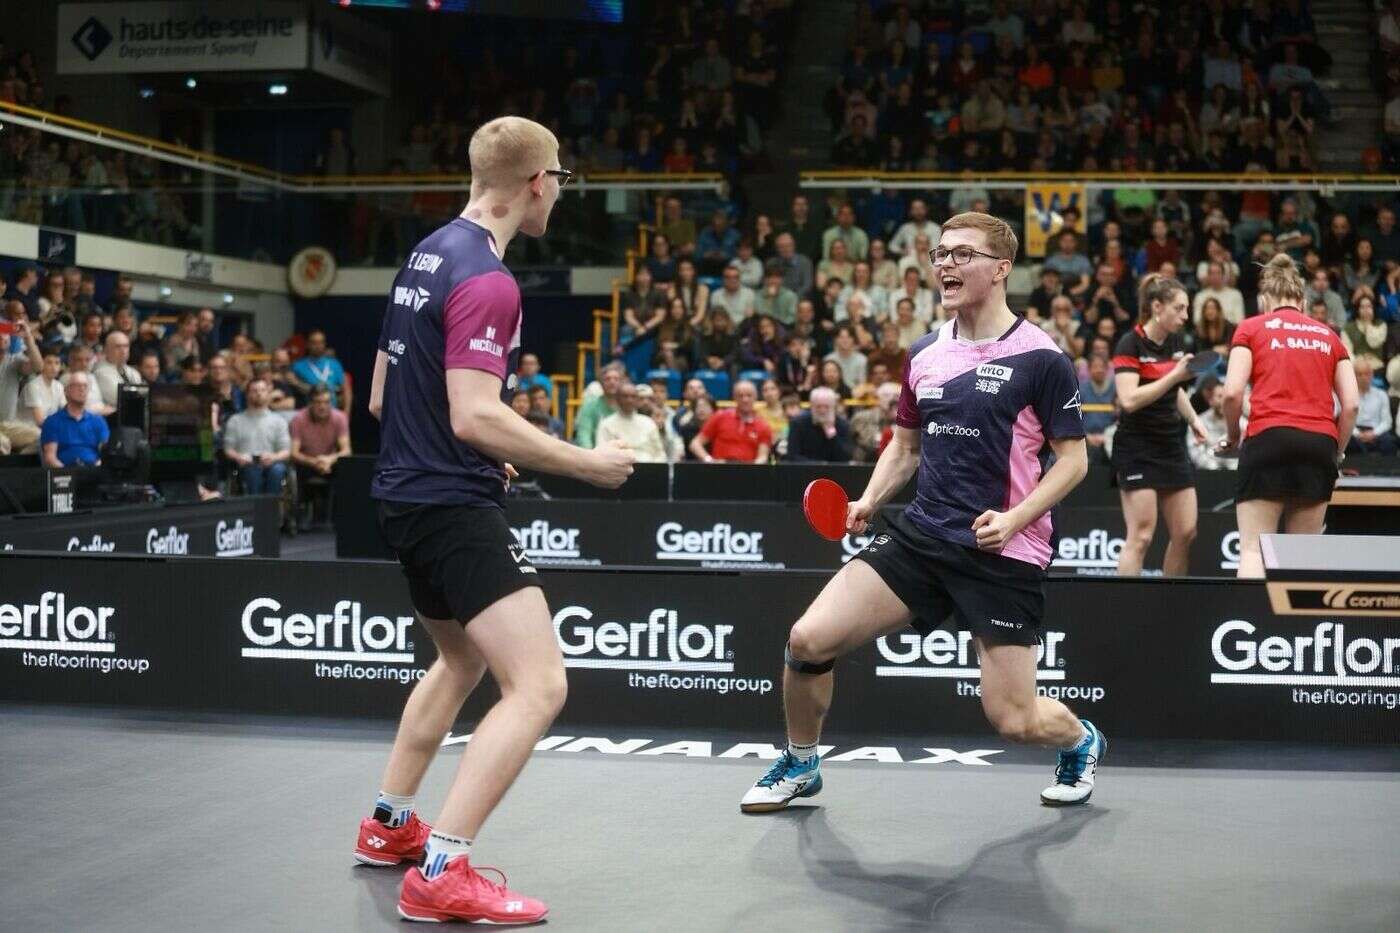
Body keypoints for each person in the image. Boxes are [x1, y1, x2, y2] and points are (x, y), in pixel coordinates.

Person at [740, 212, 1103, 816]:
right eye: (941, 254)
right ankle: (802, 764)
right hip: (923, 535)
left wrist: (1015, 519)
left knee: (1014, 721)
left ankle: (1083, 740)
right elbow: (905, 447)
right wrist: (870, 500)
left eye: (963, 254)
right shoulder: (925, 353)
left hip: (1002, 551)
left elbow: (1074, 463)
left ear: (1001, 268)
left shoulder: (1041, 358)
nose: (945, 265)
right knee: (808, 640)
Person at [364, 116, 633, 925]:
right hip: (450, 506)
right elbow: (475, 415)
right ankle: (442, 867)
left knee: (459, 661)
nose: (559, 190)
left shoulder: (425, 253)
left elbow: (384, 395)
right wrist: (585, 462)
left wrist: (484, 450)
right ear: (537, 182)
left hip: (401, 495)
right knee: (540, 683)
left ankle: (388, 824)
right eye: (560, 178)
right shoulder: (489, 277)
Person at [1220, 253, 1358, 578]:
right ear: (1303, 301)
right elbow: (1350, 405)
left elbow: (1231, 393)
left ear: (1265, 299)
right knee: (1303, 558)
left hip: (1267, 439)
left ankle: (1251, 624)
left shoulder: (1250, 328)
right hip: (1319, 445)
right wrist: (1336, 451)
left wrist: (1233, 437)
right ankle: (1297, 629)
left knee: (1254, 548)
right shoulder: (1330, 336)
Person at [1110, 274, 1209, 576]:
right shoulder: (1130, 343)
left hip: (1170, 445)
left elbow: (1174, 390)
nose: (1185, 316)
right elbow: (1128, 400)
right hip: (1137, 446)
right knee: (1141, 537)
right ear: (1157, 307)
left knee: (1186, 532)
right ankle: (1127, 610)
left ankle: (1170, 603)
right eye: (1179, 309)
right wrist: (1174, 376)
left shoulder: (1176, 342)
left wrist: (1194, 420)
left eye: (1186, 309)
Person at [289, 386, 352, 528]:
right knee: (296, 469)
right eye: (318, 402)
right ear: (310, 403)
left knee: (348, 467)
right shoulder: (298, 419)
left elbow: (346, 450)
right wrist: (314, 462)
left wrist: (328, 460)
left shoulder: (340, 418)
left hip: (330, 462)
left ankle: (343, 518)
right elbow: (294, 452)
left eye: (326, 402)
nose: (322, 406)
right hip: (306, 463)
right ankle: (300, 517)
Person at [223, 378, 291, 494]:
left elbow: (286, 451)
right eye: (254, 390)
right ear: (247, 394)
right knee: (252, 472)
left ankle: (272, 507)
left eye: (263, 390)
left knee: (278, 470)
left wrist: (274, 457)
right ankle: (255, 508)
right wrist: (238, 457)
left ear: (268, 394)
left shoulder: (279, 421)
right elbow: (228, 449)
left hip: (272, 462)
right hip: (246, 463)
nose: (259, 393)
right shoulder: (235, 420)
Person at [689, 379, 771, 463]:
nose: (745, 399)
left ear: (755, 397)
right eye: (740, 396)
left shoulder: (763, 426)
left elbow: (762, 457)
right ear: (734, 397)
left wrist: (753, 468)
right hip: (719, 471)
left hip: (747, 472)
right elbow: (695, 444)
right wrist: (710, 460)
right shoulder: (720, 416)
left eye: (749, 395)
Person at [39, 372, 108, 467]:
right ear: (66, 390)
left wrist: (98, 468)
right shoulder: (52, 422)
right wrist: (68, 474)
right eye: (77, 385)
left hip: (94, 473)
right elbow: (50, 457)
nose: (82, 389)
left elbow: (106, 453)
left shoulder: (98, 421)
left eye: (85, 386)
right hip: (64, 474)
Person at [0, 317, 43, 455]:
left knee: (42, 438)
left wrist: (28, 338)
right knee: (3, 444)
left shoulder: (13, 361)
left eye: (4, 332)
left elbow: (38, 366)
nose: (2, 336)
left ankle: (16, 470)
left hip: (8, 425)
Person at [596, 380, 666, 463]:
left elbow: (660, 453)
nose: (629, 400)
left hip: (649, 469)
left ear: (637, 399)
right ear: (617, 399)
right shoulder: (606, 424)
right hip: (618, 470)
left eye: (633, 396)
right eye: (625, 396)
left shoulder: (648, 423)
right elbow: (602, 454)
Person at [782, 387, 853, 462]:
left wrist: (831, 434)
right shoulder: (798, 424)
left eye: (826, 407)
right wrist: (820, 465)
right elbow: (793, 456)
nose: (822, 411)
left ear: (833, 407)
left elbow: (845, 458)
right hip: (805, 470)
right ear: (811, 406)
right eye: (818, 407)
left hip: (834, 471)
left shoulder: (842, 425)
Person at [1346, 357, 1395, 456]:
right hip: (1355, 433)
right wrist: (1357, 434)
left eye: (1367, 374)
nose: (1364, 377)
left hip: (1377, 433)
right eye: (1359, 374)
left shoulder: (1381, 395)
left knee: (1390, 442)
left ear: (1372, 375)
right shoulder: (1348, 396)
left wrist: (1374, 433)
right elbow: (1346, 419)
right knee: (1346, 441)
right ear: (1354, 376)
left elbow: (1387, 422)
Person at [292, 330, 348, 409]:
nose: (318, 346)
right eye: (314, 343)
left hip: (333, 412)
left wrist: (346, 415)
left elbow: (346, 391)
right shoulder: (298, 366)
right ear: (308, 344)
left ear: (325, 344)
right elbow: (292, 387)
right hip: (308, 412)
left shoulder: (335, 364)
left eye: (321, 342)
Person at [1188, 378, 1234, 470]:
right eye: (1220, 396)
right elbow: (1195, 452)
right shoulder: (1199, 423)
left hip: (1235, 473)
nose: (1223, 401)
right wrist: (1213, 468)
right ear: (1211, 400)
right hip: (1207, 473)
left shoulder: (1240, 421)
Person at [1078, 354, 1116, 458]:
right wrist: (1086, 436)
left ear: (1107, 369)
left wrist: (1107, 436)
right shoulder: (1081, 389)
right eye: (1095, 367)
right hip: (1084, 439)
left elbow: (1120, 418)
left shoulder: (1115, 388)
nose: (1099, 370)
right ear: (1089, 369)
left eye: (1102, 367)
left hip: (1111, 439)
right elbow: (1075, 417)